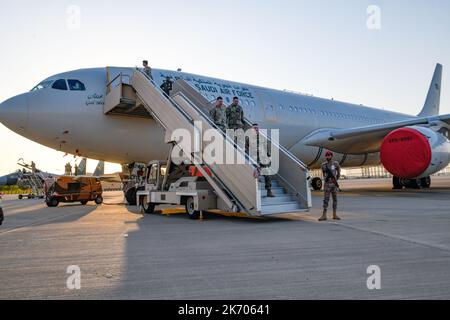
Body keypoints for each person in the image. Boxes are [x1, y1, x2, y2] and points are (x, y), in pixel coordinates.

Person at [248, 123, 274, 198]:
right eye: (254, 128)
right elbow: (245, 147)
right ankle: (255, 194)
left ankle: (269, 191)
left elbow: (266, 146)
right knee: (256, 174)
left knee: (267, 174)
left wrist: (269, 155)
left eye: (257, 128)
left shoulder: (262, 137)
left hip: (263, 158)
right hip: (254, 159)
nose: (255, 129)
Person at [319, 151, 341, 221]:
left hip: (334, 184)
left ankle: (334, 214)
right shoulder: (323, 165)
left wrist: (335, 180)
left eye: (329, 155)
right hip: (327, 184)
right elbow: (324, 174)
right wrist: (327, 179)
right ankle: (324, 215)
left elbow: (338, 173)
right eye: (327, 155)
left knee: (335, 199)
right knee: (326, 199)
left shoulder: (336, 163)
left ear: (331, 156)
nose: (328, 156)